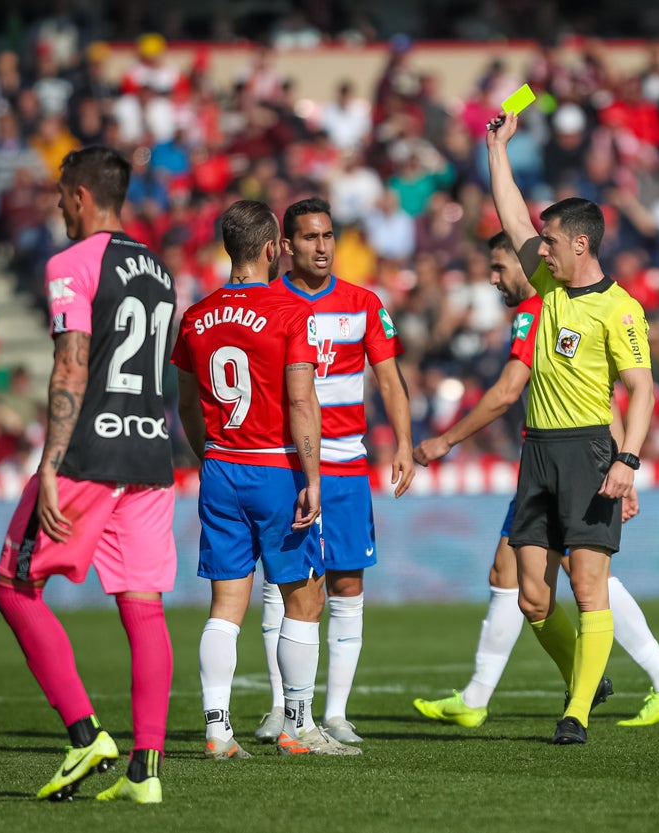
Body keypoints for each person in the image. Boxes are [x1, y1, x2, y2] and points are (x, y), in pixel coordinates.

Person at [411, 233, 659, 728]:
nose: (495, 279)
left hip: (567, 461)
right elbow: (600, 397)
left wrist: (445, 441)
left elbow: (507, 392)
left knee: (578, 580)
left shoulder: (541, 308)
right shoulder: (551, 307)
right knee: (516, 577)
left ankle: (648, 682)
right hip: (545, 459)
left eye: (500, 267)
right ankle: (488, 692)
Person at [0, 146, 178, 804]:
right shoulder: (159, 268)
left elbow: (72, 364)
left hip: (91, 451)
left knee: (14, 585)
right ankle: (146, 768)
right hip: (152, 453)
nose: (58, 207)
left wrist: (49, 462)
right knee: (144, 607)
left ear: (78, 196)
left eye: (60, 196)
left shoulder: (72, 262)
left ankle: (84, 735)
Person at [486, 111, 655, 745]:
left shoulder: (621, 309)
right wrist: (498, 149)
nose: (540, 245)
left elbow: (642, 389)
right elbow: (511, 214)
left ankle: (577, 712)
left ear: (579, 243)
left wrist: (627, 459)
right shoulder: (549, 284)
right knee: (532, 597)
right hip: (538, 455)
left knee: (588, 587)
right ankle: (588, 678)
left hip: (589, 450)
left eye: (550, 239)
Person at [171, 199, 359, 758]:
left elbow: (185, 405)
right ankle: (297, 726)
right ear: (274, 247)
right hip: (275, 466)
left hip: (221, 466)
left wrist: (209, 452)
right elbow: (302, 403)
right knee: (306, 598)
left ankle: (216, 731)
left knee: (225, 604)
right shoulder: (287, 313)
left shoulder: (195, 316)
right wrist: (314, 476)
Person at [255, 197, 415, 745]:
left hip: (347, 464)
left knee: (348, 584)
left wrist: (404, 444)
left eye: (327, 236)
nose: (321, 247)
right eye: (309, 238)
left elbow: (390, 381)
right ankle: (282, 707)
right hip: (286, 465)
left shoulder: (364, 303)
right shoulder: (268, 303)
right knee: (285, 585)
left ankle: (337, 713)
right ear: (286, 245)